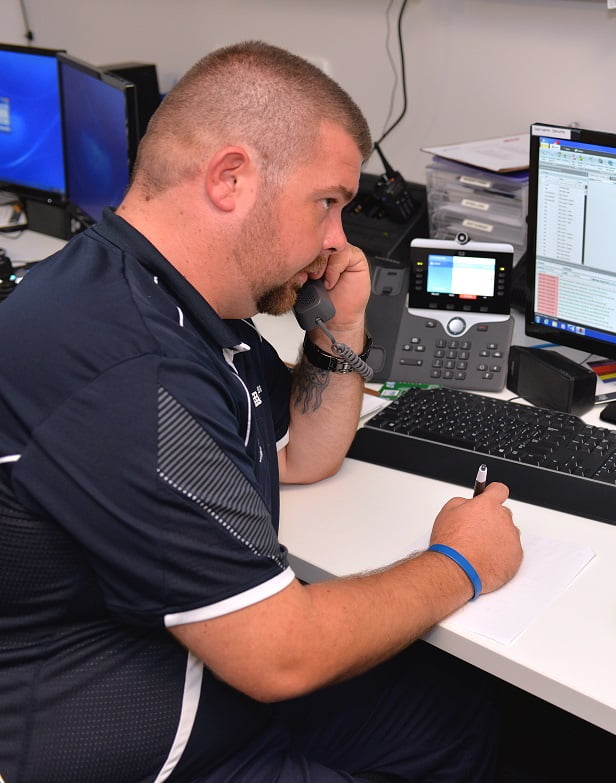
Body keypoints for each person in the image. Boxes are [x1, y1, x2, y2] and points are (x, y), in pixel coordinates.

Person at [0, 41, 523, 783]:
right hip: (149, 745)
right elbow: (282, 655)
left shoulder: (178, 300)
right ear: (231, 178)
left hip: (207, 674)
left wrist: (340, 327)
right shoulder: (128, 368)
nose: (338, 238)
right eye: (328, 202)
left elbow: (304, 454)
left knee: (454, 719)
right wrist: (461, 562)